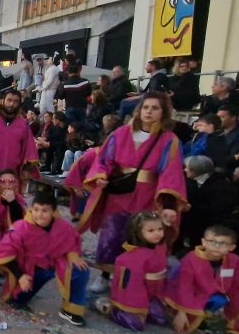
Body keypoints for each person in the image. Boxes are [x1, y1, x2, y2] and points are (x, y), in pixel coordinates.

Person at [78, 93, 187, 291]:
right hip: (120, 193)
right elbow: (104, 160)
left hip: (148, 194)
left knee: (141, 237)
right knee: (112, 234)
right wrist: (101, 175)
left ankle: (132, 280)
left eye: (155, 108)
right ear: (139, 110)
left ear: (163, 113)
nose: (149, 112)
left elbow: (172, 173)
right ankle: (104, 275)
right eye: (146, 107)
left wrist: (169, 205)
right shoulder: (120, 133)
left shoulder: (169, 140)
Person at [0, 191, 90, 326]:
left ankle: (70, 310)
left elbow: (72, 242)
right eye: (36, 210)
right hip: (29, 270)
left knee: (81, 269)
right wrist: (20, 276)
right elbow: (4, 254)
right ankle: (18, 294)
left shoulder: (63, 227)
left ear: (53, 212)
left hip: (54, 264)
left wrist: (73, 255)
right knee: (18, 301)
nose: (39, 214)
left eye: (45, 211)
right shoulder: (20, 227)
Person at [167, 225, 239, 334]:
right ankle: (198, 316)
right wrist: (182, 311)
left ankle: (237, 322)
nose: (216, 246)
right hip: (192, 295)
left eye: (223, 243)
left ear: (232, 247)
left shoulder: (234, 260)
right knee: (212, 302)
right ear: (203, 242)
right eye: (212, 241)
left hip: (214, 292)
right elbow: (184, 287)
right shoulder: (191, 259)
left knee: (227, 298)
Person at [101, 212, 170, 331]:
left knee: (161, 319)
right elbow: (132, 285)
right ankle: (111, 310)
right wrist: (140, 309)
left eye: (160, 229)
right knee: (136, 325)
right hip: (136, 295)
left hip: (153, 293)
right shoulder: (132, 257)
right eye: (151, 230)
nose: (157, 233)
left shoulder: (161, 246)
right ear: (138, 233)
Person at [180, 155, 237, 251]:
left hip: (211, 223)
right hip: (190, 222)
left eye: (187, 168)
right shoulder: (186, 181)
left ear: (196, 171)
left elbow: (218, 209)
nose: (185, 170)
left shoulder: (222, 186)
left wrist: (191, 207)